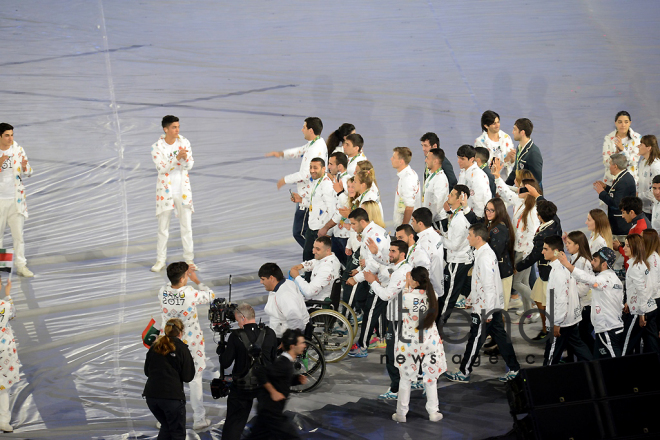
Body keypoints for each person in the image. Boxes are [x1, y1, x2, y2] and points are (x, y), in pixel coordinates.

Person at [444, 224, 520, 383]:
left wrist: (487, 311)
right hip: (490, 306)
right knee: (500, 337)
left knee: (474, 339)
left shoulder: (484, 257)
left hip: (485, 309)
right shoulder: (484, 253)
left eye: (470, 235)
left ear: (478, 238)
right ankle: (515, 368)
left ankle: (464, 372)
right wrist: (471, 298)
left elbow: (489, 286)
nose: (468, 238)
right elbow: (481, 283)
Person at [159, 262, 214, 430]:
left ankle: (165, 420)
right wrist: (196, 280)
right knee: (195, 379)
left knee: (170, 380)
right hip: (191, 344)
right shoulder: (190, 293)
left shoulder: (162, 291)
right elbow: (211, 295)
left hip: (168, 343)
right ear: (183, 278)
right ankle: (199, 419)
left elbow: (172, 286)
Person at [392, 267, 446, 423]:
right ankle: (433, 412)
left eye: (409, 277)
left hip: (409, 342)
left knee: (406, 378)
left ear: (414, 282)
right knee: (431, 378)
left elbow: (399, 313)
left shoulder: (405, 296)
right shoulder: (433, 295)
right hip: (430, 341)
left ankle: (401, 413)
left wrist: (405, 287)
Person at [266, 117, 327, 249]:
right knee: (304, 232)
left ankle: (317, 255)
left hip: (307, 196)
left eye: (304, 127)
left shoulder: (315, 149)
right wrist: (282, 154)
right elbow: (300, 151)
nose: (302, 130)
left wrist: (284, 180)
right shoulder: (316, 142)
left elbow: (306, 174)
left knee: (300, 232)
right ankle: (317, 256)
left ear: (310, 130)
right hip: (306, 194)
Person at [220, 304, 278, 440]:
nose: (238, 324)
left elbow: (225, 362)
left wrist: (222, 350)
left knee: (234, 423)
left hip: (242, 388)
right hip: (265, 387)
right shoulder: (270, 333)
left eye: (238, 320)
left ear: (243, 318)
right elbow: (273, 359)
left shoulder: (235, 336)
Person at [363, 240, 412, 400]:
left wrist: (372, 282)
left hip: (399, 319)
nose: (390, 254)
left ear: (402, 254)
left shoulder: (400, 272)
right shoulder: (403, 268)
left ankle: (396, 389)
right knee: (403, 354)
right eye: (390, 250)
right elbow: (387, 266)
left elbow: (386, 295)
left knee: (392, 355)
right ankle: (410, 383)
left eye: (393, 251)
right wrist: (376, 253)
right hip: (402, 317)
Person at [557, 247, 625, 359]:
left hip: (607, 330)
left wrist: (568, 265)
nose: (592, 262)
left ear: (604, 264)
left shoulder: (604, 281)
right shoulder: (613, 278)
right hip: (609, 328)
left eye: (595, 260)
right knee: (598, 363)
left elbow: (589, 280)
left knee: (616, 364)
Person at [151, 116, 196, 272]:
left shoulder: (184, 142)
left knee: (187, 227)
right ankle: (160, 260)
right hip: (166, 191)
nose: (177, 130)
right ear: (166, 129)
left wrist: (184, 159)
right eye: (174, 127)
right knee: (163, 228)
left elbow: (190, 164)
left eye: (178, 127)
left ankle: (189, 260)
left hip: (183, 190)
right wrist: (177, 159)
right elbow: (162, 168)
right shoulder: (157, 147)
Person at [245, 328, 307, 440]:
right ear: (293, 346)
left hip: (267, 411)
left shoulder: (286, 363)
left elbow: (279, 379)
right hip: (271, 413)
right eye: (302, 343)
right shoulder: (283, 363)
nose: (304, 345)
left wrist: (296, 380)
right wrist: (273, 392)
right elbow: (260, 372)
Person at [346, 208, 390, 357]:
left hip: (380, 279)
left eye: (353, 224)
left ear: (362, 222)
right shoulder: (373, 231)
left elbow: (374, 265)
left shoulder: (372, 236)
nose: (352, 227)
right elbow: (368, 259)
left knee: (370, 311)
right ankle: (381, 337)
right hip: (378, 276)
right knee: (371, 307)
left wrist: (356, 279)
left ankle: (363, 346)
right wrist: (359, 270)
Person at [541, 236, 592, 365]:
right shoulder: (563, 267)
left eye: (545, 249)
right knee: (579, 346)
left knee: (551, 355)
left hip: (561, 322)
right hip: (570, 318)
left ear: (556, 251)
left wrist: (556, 323)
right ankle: (595, 368)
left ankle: (544, 379)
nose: (542, 252)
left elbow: (561, 299)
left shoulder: (559, 271)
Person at [143, 318, 195, 440]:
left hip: (152, 397)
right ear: (181, 332)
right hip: (172, 398)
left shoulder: (155, 347)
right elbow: (188, 376)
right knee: (177, 433)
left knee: (166, 427)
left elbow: (147, 372)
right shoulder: (182, 348)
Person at [0, 124, 32, 277]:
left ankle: (21, 265)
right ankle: (2, 269)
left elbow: (29, 172)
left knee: (18, 235)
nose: (10, 138)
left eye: (12, 135)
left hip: (16, 200)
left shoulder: (18, 150)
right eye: (7, 135)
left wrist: (25, 168)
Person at [439, 185, 473, 323]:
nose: (448, 196)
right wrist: (443, 234)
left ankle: (438, 325)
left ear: (460, 198)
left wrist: (439, 239)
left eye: (452, 195)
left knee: (449, 296)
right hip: (459, 259)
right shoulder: (457, 214)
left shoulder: (459, 219)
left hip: (457, 261)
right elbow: (453, 238)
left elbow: (454, 245)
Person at [621, 234, 660, 354]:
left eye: (628, 246)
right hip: (651, 307)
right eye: (625, 245)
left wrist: (642, 313)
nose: (624, 248)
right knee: (652, 344)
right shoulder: (643, 263)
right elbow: (650, 287)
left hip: (639, 311)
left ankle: (619, 369)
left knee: (626, 344)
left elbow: (642, 290)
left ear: (635, 247)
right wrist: (629, 301)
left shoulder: (634, 267)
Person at [292, 158, 337, 262]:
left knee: (318, 261)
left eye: (315, 168)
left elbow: (332, 210)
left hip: (320, 231)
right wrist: (301, 200)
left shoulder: (326, 185)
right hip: (312, 228)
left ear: (323, 168)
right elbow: (316, 204)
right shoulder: (317, 182)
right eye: (311, 167)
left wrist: (327, 230)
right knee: (308, 260)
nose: (312, 170)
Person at [563, 231, 596, 354]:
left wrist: (571, 293)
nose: (567, 245)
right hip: (580, 303)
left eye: (569, 243)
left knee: (583, 335)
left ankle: (593, 358)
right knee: (577, 334)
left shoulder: (583, 261)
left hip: (586, 305)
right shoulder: (575, 257)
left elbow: (586, 284)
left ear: (577, 246)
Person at [260, 263, 310, 338]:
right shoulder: (286, 283)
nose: (261, 282)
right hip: (278, 333)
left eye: (263, 279)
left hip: (285, 337)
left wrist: (287, 342)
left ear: (271, 278)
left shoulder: (285, 295)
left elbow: (296, 321)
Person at [594, 153, 637, 236]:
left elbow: (617, 204)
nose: (609, 166)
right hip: (619, 224)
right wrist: (606, 187)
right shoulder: (623, 177)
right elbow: (617, 194)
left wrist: (602, 193)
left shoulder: (623, 181)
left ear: (615, 166)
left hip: (621, 227)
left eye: (610, 164)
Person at [484, 198, 515, 311]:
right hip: (499, 271)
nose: (488, 212)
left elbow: (494, 252)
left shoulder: (498, 229)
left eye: (492, 210)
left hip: (501, 272)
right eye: (487, 209)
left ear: (499, 211)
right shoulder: (493, 225)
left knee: (500, 309)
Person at [290, 236, 341, 300]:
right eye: (313, 247)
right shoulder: (331, 258)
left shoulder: (326, 269)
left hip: (318, 303)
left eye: (317, 249)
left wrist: (297, 277)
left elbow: (309, 292)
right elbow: (316, 262)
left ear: (328, 250)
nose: (313, 252)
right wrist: (301, 266)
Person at [409, 208, 444, 297]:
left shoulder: (423, 242)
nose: (411, 223)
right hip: (437, 283)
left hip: (428, 289)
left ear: (420, 223)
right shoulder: (436, 235)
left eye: (413, 221)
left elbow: (423, 268)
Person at [602, 111, 641, 185]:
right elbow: (606, 163)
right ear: (615, 123)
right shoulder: (608, 138)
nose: (623, 125)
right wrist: (616, 153)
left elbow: (633, 162)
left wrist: (622, 150)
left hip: (630, 182)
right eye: (620, 122)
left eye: (626, 122)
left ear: (630, 123)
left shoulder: (637, 138)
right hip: (611, 181)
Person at [0, 279, 18, 432]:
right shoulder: (4, 306)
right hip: (4, 352)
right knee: (3, 387)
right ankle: (3, 421)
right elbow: (12, 314)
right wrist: (8, 294)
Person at [474, 110, 515, 177]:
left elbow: (512, 163)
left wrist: (512, 158)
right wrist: (505, 160)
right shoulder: (480, 142)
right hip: (489, 180)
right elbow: (483, 166)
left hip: (506, 181)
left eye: (498, 122)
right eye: (494, 123)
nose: (497, 125)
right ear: (486, 126)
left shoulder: (506, 138)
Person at [612, 196, 648, 270]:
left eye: (623, 213)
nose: (622, 216)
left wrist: (619, 248)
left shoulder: (639, 228)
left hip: (634, 270)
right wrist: (622, 244)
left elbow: (635, 254)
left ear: (631, 212)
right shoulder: (640, 222)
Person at [504, 118, 543, 186]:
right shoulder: (519, 148)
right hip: (520, 192)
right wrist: (504, 187)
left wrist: (523, 191)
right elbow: (515, 172)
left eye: (515, 129)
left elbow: (537, 180)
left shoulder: (533, 153)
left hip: (529, 195)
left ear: (522, 132)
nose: (513, 132)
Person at [456, 145, 492, 218]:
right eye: (458, 158)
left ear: (472, 159)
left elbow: (480, 203)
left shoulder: (478, 176)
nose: (458, 161)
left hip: (473, 218)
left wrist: (475, 220)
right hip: (463, 214)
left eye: (462, 159)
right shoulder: (463, 172)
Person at [390, 147, 420, 226]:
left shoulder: (407, 179)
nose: (391, 159)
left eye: (393, 157)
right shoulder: (407, 175)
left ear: (401, 161)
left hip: (408, 228)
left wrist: (404, 227)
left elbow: (410, 207)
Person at [421, 148, 449, 230]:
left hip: (438, 221)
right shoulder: (432, 176)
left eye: (428, 158)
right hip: (431, 220)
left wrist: (426, 223)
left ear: (435, 161)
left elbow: (437, 204)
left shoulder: (440, 179)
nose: (425, 160)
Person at [636, 135, 660, 216]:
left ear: (648, 148)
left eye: (641, 144)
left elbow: (656, 190)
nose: (638, 146)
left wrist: (638, 196)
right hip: (643, 208)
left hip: (653, 211)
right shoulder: (643, 162)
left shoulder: (656, 167)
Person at [642, 229, 660, 334]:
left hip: (653, 300)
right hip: (653, 299)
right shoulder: (651, 257)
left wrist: (646, 301)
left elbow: (653, 285)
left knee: (652, 333)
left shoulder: (652, 259)